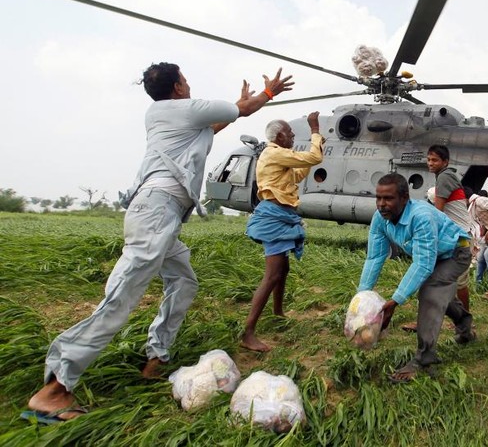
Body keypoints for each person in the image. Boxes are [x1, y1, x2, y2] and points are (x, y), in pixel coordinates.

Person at [26, 63, 294, 422]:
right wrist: (268, 93)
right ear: (177, 86)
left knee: (184, 282)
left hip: (162, 215)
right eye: (184, 79)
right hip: (156, 213)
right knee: (121, 296)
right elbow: (242, 110)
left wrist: (238, 107)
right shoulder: (184, 108)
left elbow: (214, 125)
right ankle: (55, 388)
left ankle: (157, 357)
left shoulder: (167, 116)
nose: (189, 83)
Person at [357, 173, 475, 382]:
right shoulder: (380, 219)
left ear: (404, 198)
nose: (382, 204)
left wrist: (395, 301)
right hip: (435, 254)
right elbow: (375, 256)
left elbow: (423, 264)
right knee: (440, 294)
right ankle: (465, 325)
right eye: (379, 198)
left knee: (430, 291)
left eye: (388, 198)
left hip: (457, 252)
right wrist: (361, 298)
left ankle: (424, 359)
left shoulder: (420, 216)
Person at [241, 113, 324, 352]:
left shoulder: (279, 158)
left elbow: (298, 173)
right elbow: (314, 156)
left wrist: (312, 154)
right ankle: (247, 333)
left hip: (282, 217)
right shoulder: (274, 152)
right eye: (290, 134)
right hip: (274, 218)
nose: (293, 136)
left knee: (282, 269)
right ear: (279, 136)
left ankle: (277, 313)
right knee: (272, 274)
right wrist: (315, 130)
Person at [401, 145, 473, 333]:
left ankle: (463, 323)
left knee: (446, 282)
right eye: (429, 159)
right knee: (446, 282)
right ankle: (454, 321)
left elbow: (437, 212)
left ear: (445, 162)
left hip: (459, 239)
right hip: (456, 236)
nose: (430, 163)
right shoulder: (446, 176)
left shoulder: (444, 177)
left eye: (435, 160)